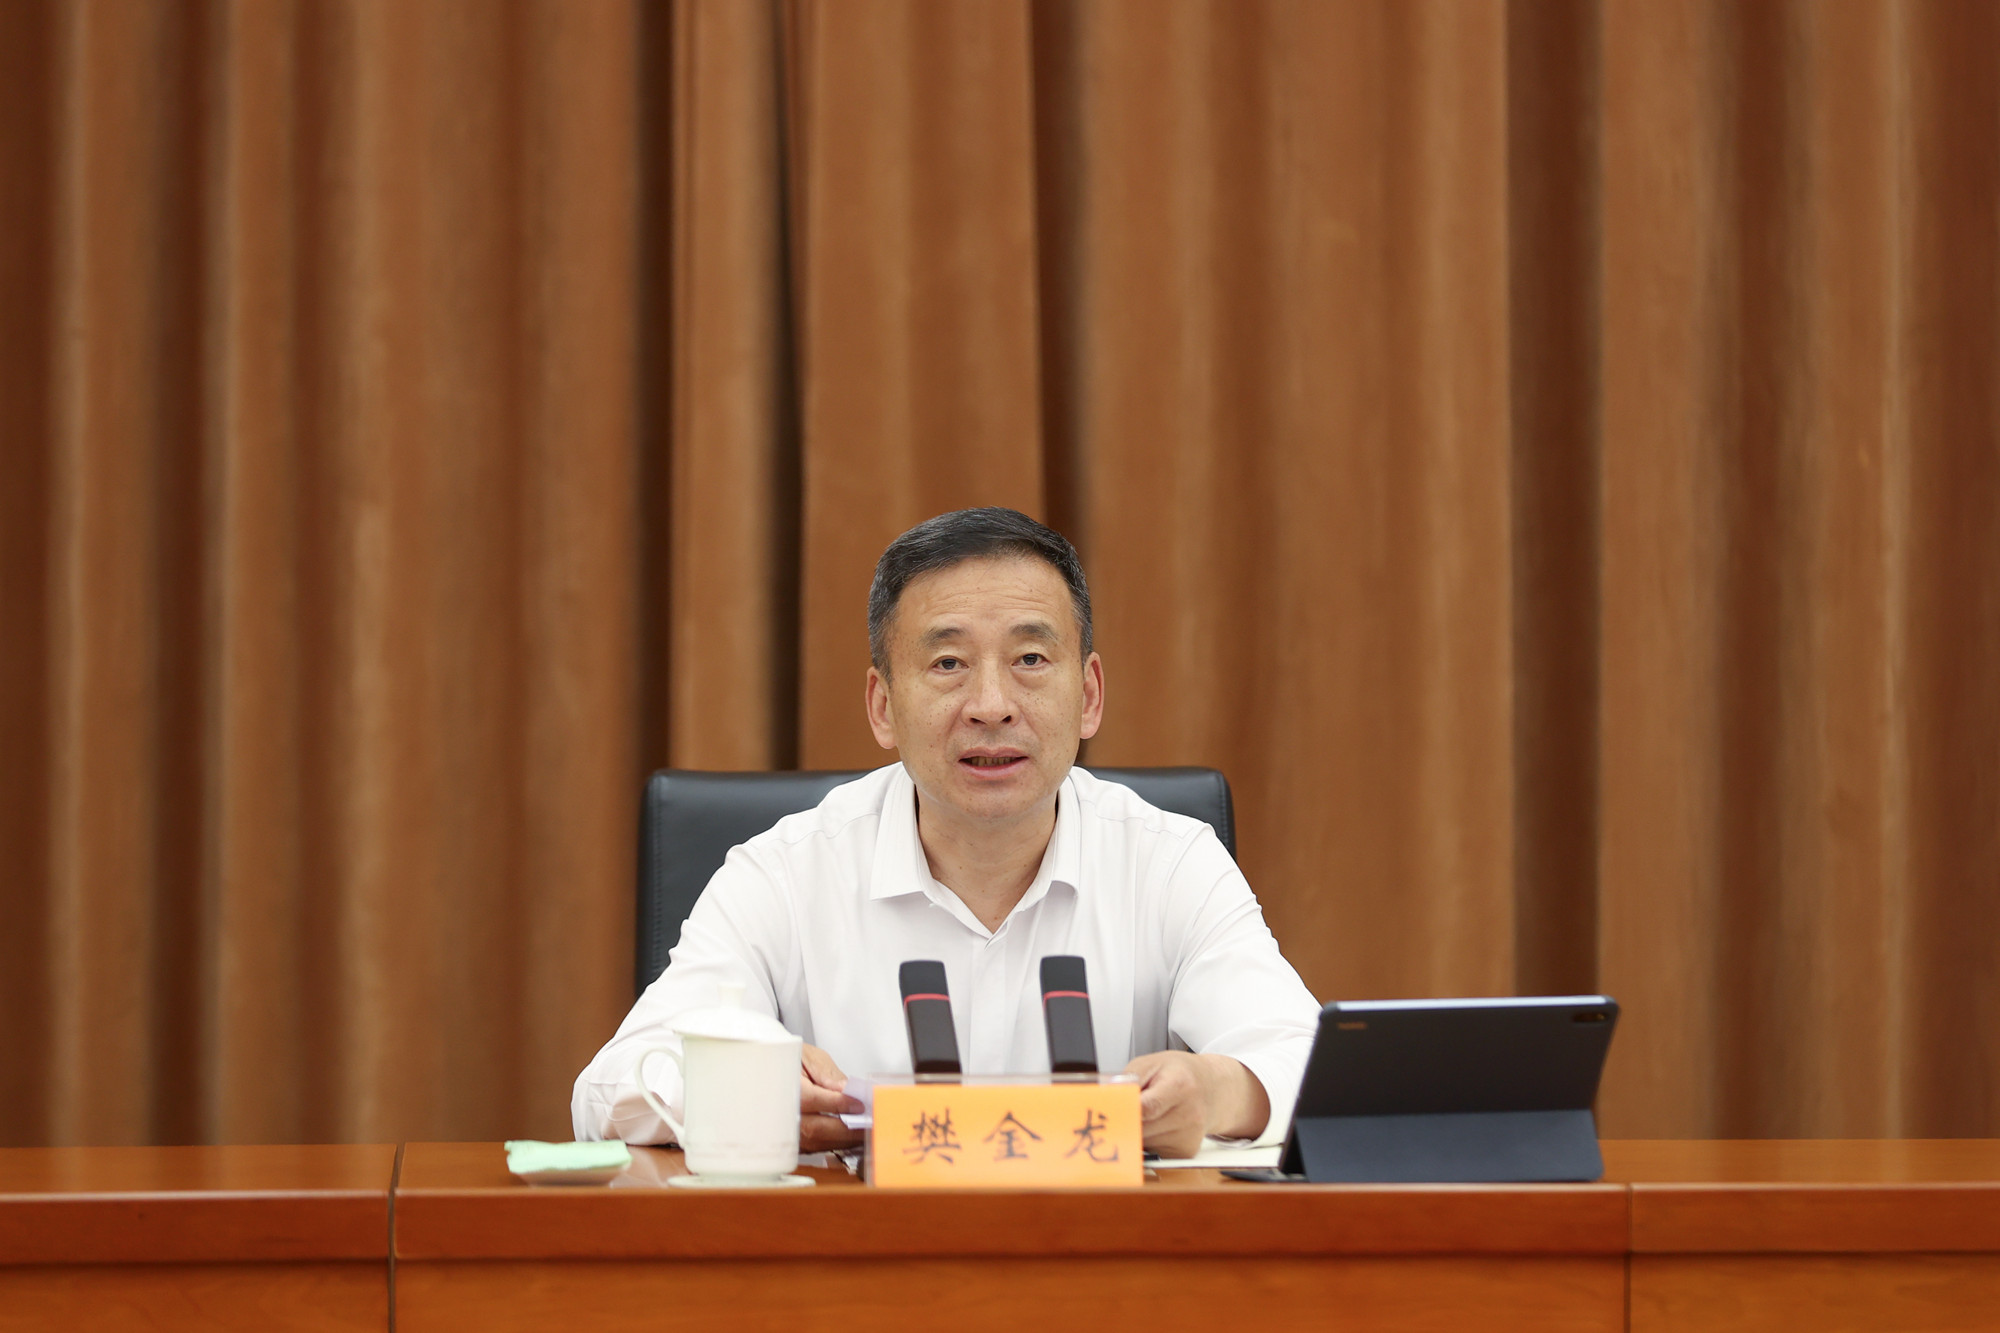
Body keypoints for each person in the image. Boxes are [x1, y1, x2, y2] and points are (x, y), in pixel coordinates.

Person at [572, 507, 1319, 1157]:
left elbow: (1313, 1067)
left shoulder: (1171, 863)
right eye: (949, 662)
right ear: (883, 707)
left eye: (1030, 659)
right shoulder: (784, 873)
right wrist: (748, 1091)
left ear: (1089, 695)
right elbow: (606, 1092)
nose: (991, 704)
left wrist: (1218, 1092)